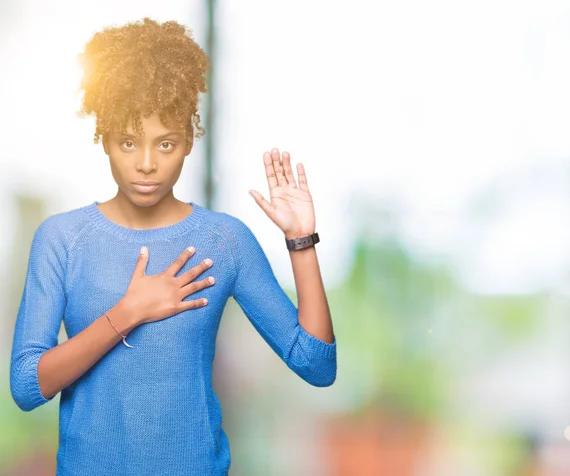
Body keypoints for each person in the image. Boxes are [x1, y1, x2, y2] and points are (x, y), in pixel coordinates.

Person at [9, 17, 336, 476]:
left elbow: (316, 365)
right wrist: (128, 312)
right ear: (103, 139)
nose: (146, 164)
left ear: (188, 141)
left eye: (166, 143)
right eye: (128, 142)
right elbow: (26, 386)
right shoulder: (62, 239)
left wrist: (301, 241)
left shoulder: (224, 241)